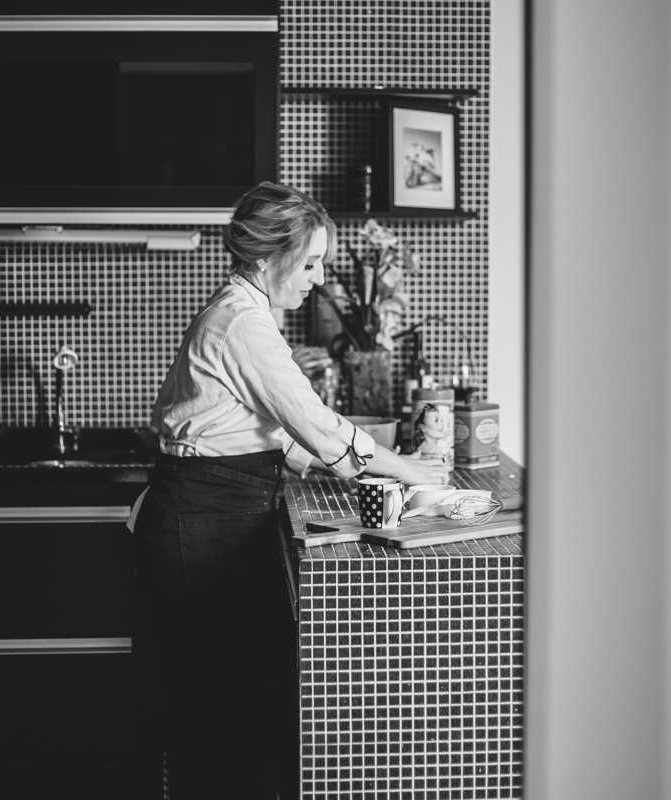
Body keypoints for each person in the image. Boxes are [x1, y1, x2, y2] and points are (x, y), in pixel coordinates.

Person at [129, 181, 450, 800]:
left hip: (214, 513)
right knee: (215, 713)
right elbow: (314, 422)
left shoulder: (247, 314)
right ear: (268, 256)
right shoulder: (241, 322)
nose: (319, 279)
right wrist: (409, 469)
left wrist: (344, 466)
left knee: (228, 708)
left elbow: (266, 428)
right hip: (200, 522)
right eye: (309, 264)